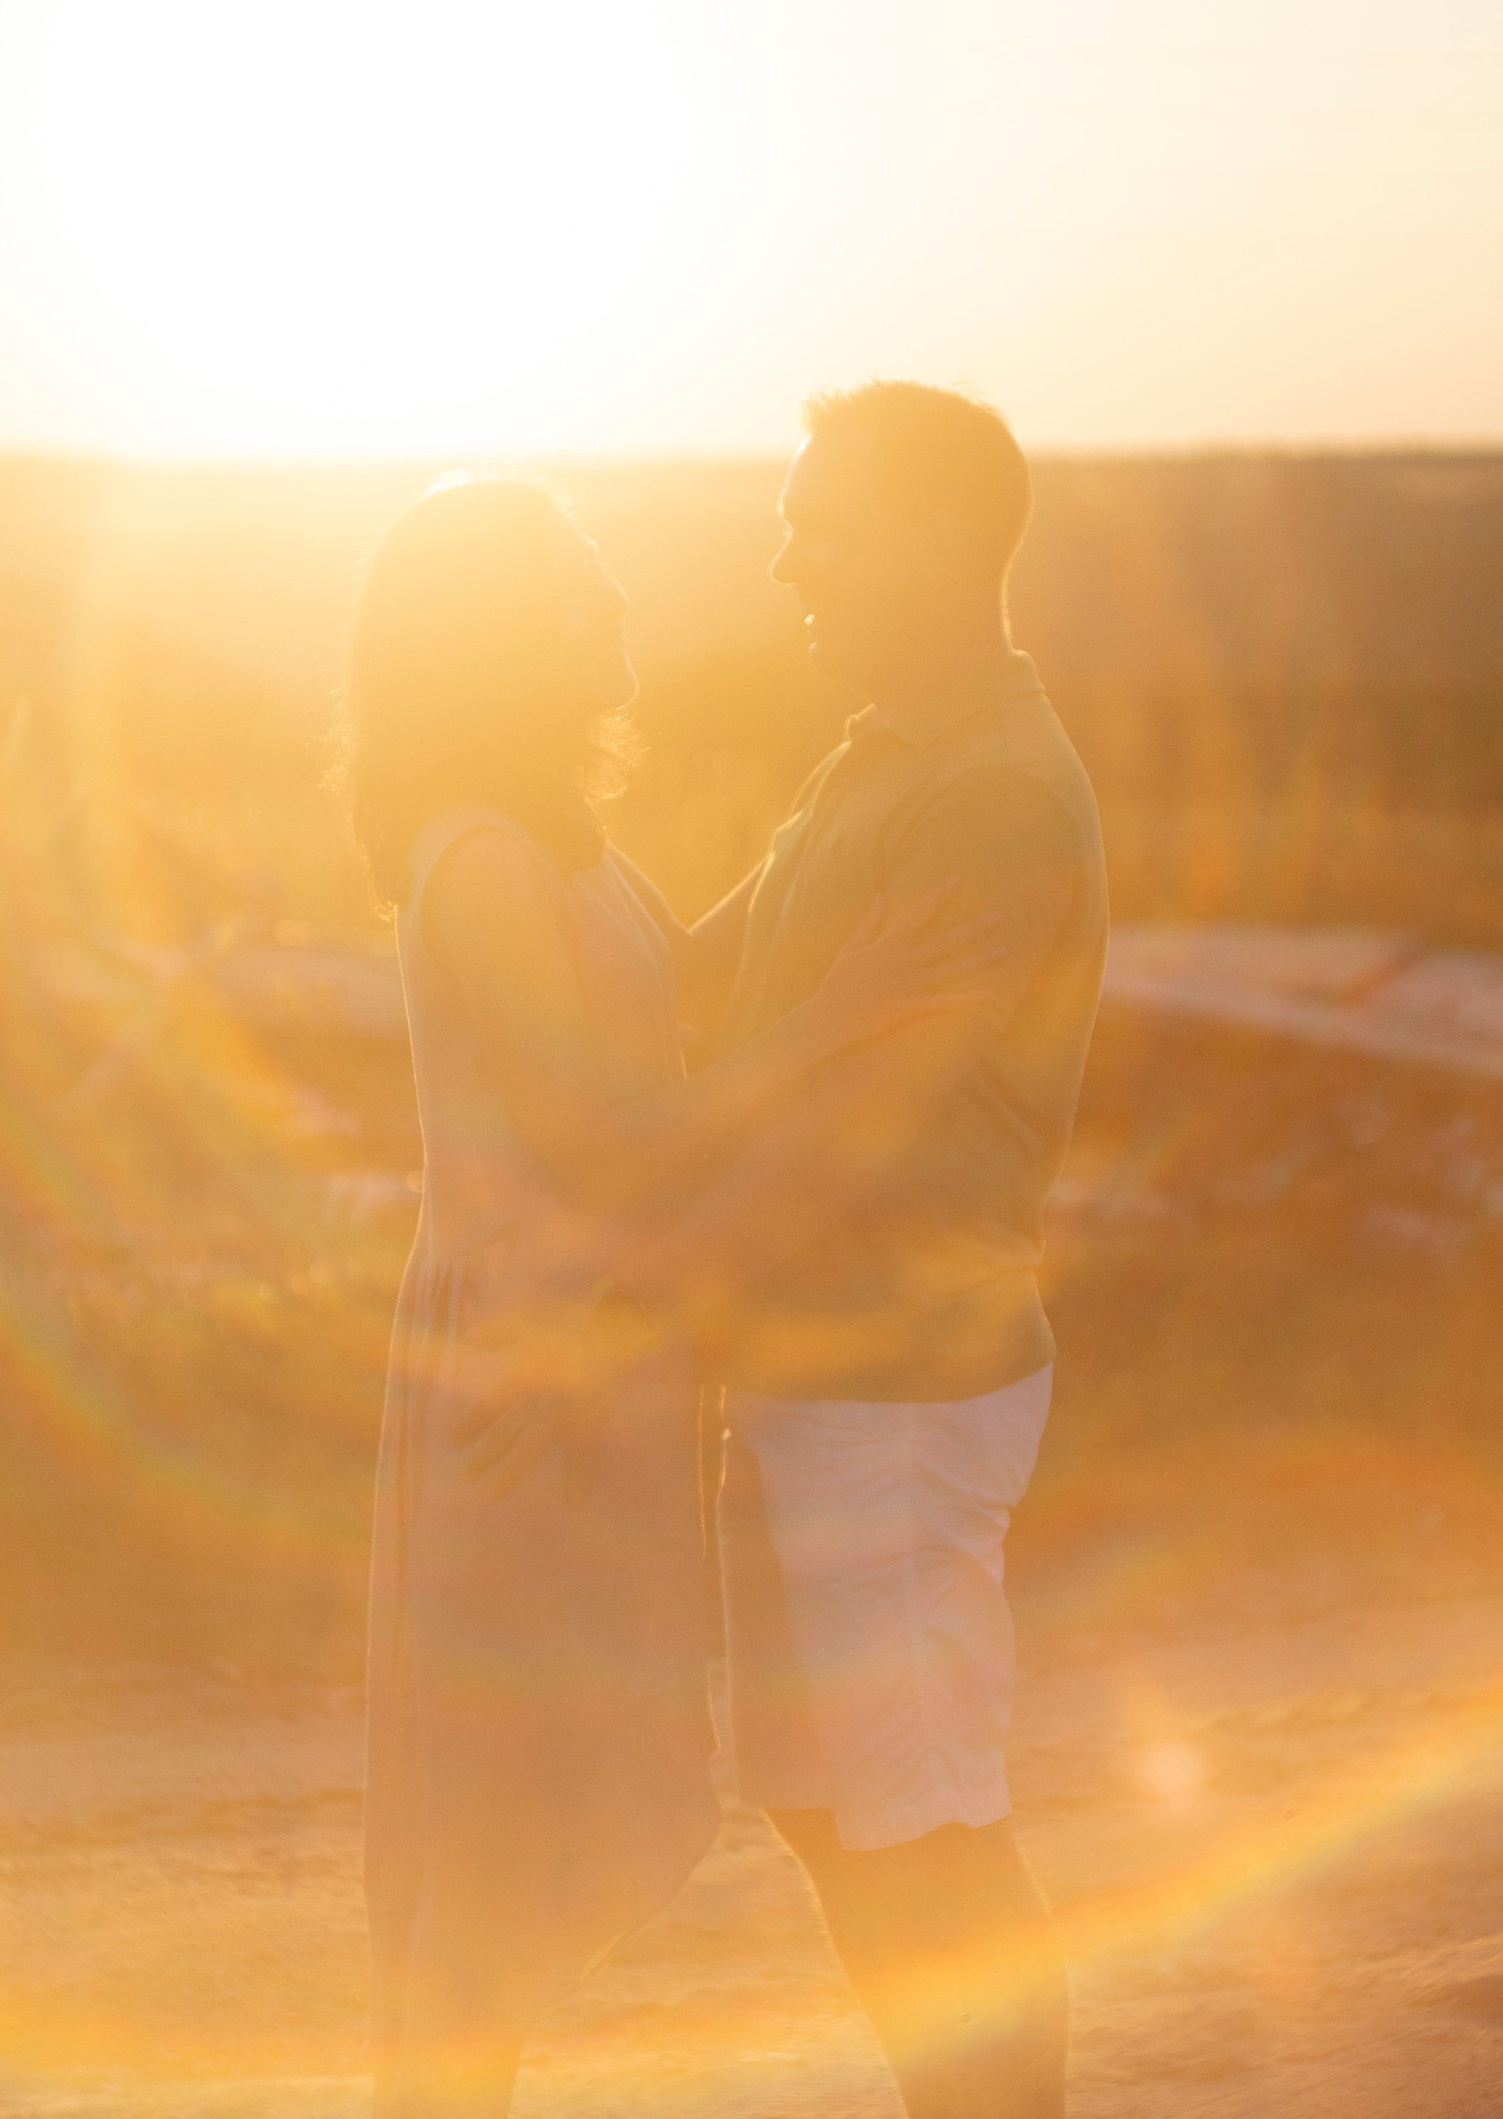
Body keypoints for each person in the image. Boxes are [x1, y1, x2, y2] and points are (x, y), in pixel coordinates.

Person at [464, 382, 1107, 2119]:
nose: (786, 551)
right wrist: (498, 826)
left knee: (927, 1827)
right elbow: (710, 989)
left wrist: (623, 1321)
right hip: (809, 1377)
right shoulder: (876, 750)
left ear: (937, 541)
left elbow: (839, 1139)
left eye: (821, 521)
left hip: (902, 1393)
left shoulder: (993, 796)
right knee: (836, 1813)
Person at [346, 471, 1002, 2119]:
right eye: (579, 583)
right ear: (504, 635)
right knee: (489, 1840)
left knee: (520, 1815)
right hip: (526, 1365)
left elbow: (663, 994)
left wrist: (812, 895)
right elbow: (610, 1136)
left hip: (596, 1352)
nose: (617, 603)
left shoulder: (556, 843)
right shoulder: (479, 858)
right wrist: (840, 1014)